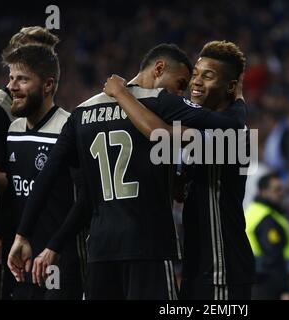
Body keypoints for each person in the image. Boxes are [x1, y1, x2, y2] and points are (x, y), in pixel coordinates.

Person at [8, 43, 245, 300]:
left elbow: (50, 175)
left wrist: (23, 234)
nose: (181, 93)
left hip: (100, 251)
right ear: (159, 68)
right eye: (180, 84)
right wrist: (240, 98)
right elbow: (232, 126)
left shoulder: (81, 111)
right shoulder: (160, 103)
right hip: (149, 248)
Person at [103, 40, 255, 300]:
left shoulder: (232, 135)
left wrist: (123, 93)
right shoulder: (204, 124)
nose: (196, 82)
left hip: (222, 267)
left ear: (230, 86)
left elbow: (159, 133)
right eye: (195, 74)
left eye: (208, 76)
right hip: (196, 264)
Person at [0, 44, 84, 299]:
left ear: (48, 85)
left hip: (60, 262)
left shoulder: (69, 127)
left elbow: (85, 199)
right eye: (11, 78)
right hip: (22, 261)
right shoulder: (14, 129)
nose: (11, 86)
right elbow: (13, 190)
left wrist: (55, 246)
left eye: (22, 79)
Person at [0, 26, 60, 300]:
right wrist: (37, 183)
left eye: (47, 55)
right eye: (33, 53)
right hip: (1, 237)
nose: (44, 60)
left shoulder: (48, 116)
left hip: (36, 238)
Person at [245, 173, 289, 299]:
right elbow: (273, 255)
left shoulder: (253, 211)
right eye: (276, 189)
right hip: (267, 282)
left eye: (281, 189)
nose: (280, 193)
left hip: (255, 279)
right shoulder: (266, 218)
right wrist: (284, 287)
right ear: (263, 192)